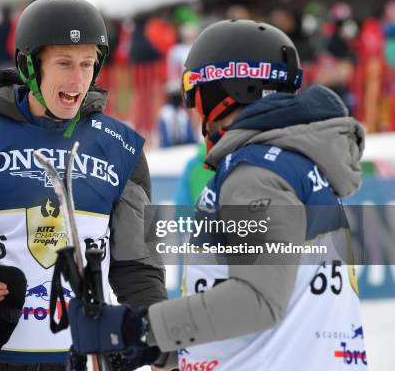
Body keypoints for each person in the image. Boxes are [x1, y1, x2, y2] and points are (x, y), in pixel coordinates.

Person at [67, 20, 367, 370]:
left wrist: (140, 328)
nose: (197, 112)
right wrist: (162, 348)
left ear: (227, 90)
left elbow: (258, 300)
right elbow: (275, 313)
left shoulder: (256, 175)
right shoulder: (300, 168)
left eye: (197, 94)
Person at [0, 0, 167, 369]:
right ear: (30, 65)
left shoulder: (121, 148)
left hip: (81, 357)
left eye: (88, 64)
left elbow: (136, 261)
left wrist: (158, 333)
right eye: (64, 63)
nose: (78, 79)